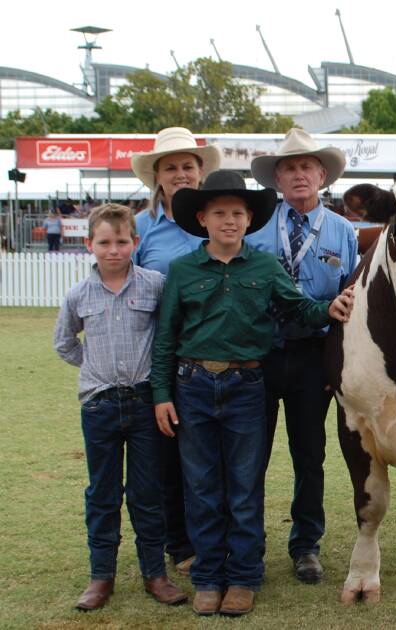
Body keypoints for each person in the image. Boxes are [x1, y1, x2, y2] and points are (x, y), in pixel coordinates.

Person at [150, 170, 349, 617]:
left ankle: (242, 577)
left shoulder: (264, 265)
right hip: (193, 386)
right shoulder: (182, 271)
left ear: (248, 219)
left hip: (245, 386)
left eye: (237, 213)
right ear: (202, 218)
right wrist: (162, 394)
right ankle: (208, 577)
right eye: (219, 213)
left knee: (243, 485)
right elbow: (166, 338)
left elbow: (297, 306)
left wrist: (329, 309)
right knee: (202, 485)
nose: (229, 221)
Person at [53, 203, 188, 612]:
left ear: (136, 242)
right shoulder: (78, 294)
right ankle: (101, 576)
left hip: (145, 402)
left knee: (147, 493)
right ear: (89, 244)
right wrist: (94, 369)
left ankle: (154, 574)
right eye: (104, 242)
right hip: (99, 406)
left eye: (122, 241)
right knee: (102, 493)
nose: (113, 250)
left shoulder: (154, 286)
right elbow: (65, 343)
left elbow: (169, 336)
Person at [246, 128, 358, 584]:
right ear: (277, 178)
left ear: (322, 175)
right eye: (289, 168)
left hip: (313, 359)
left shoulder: (342, 231)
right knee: (248, 456)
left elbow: (351, 303)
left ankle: (306, 545)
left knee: (309, 456)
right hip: (258, 355)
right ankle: (247, 544)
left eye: (306, 166)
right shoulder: (254, 227)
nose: (298, 175)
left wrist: (337, 367)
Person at [129, 127, 222, 576]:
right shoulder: (142, 229)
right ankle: (179, 543)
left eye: (188, 165)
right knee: (168, 455)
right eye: (171, 167)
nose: (181, 173)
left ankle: (217, 539)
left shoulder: (221, 219)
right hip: (161, 355)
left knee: (211, 457)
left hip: (216, 355)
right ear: (157, 177)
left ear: (201, 172)